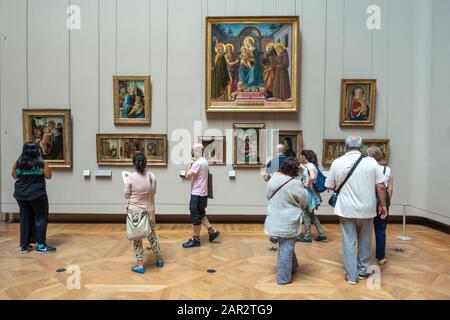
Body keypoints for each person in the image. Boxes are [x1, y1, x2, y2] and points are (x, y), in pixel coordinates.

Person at [325, 136, 387, 285]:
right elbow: (380, 186)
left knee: (349, 241)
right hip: (367, 208)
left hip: (346, 208)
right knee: (365, 240)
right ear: (362, 146)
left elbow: (329, 185)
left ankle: (351, 276)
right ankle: (362, 271)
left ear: (346, 146)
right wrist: (383, 205)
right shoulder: (371, 162)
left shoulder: (337, 162)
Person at [264, 158, 308, 285]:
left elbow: (268, 196)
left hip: (274, 218)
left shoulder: (273, 178)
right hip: (289, 220)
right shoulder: (295, 184)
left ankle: (293, 266)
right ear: (295, 170)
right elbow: (304, 203)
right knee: (286, 246)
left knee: (286, 244)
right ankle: (283, 278)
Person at [12, 142, 55, 254]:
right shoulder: (41, 164)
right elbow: (49, 176)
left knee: (25, 218)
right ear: (37, 151)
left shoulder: (18, 164)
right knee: (40, 218)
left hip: (21, 195)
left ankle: (24, 246)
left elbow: (14, 176)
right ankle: (41, 246)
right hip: (37, 195)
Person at [124, 153, 164, 273]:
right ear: (146, 163)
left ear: (134, 164)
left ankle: (140, 265)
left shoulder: (130, 178)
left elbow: (126, 195)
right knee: (152, 236)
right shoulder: (152, 177)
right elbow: (154, 192)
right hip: (149, 211)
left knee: (137, 238)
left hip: (135, 212)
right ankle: (159, 259)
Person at [182, 144, 220, 248]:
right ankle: (212, 231)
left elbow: (186, 175)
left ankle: (196, 239)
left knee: (195, 216)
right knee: (201, 213)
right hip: (203, 194)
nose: (192, 152)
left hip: (197, 194)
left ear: (197, 151)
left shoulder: (197, 163)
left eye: (193, 150)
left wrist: (190, 162)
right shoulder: (204, 161)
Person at [367, 146, 393, 265]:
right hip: (382, 203)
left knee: (365, 230)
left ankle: (364, 256)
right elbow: (390, 189)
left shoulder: (366, 169)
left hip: (368, 202)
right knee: (381, 230)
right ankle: (380, 257)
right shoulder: (387, 170)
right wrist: (385, 204)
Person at [297, 150, 328, 243]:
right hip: (311, 193)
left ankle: (307, 236)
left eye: (302, 156)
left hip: (308, 193)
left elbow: (312, 177)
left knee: (305, 214)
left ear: (304, 156)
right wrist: (303, 167)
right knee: (311, 215)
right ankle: (322, 233)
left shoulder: (310, 165)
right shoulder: (311, 165)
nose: (301, 157)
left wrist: (307, 184)